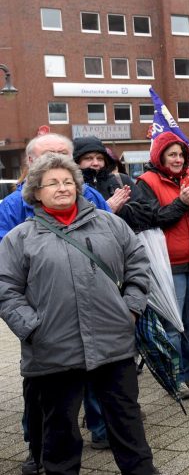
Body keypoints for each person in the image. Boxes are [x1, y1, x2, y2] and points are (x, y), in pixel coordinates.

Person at [0, 153, 156, 474]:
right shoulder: (21, 238)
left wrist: (130, 311)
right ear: (36, 192)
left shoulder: (111, 223)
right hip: (52, 350)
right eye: (53, 183)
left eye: (68, 181)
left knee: (128, 427)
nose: (62, 188)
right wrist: (32, 328)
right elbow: (5, 289)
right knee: (59, 433)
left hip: (114, 345)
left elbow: (139, 266)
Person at [0, 134, 113, 474]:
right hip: (44, 318)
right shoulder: (10, 207)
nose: (61, 162)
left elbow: (115, 244)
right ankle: (37, 446)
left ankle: (101, 428)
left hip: (93, 310)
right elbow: (5, 271)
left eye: (66, 155)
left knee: (96, 371)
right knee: (41, 389)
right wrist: (29, 324)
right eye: (51, 156)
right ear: (32, 163)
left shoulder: (89, 195)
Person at [133, 131, 189, 400]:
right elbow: (155, 219)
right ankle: (174, 377)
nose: (178, 159)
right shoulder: (146, 182)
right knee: (172, 325)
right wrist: (182, 203)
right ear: (160, 157)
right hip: (169, 263)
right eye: (172, 155)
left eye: (181, 154)